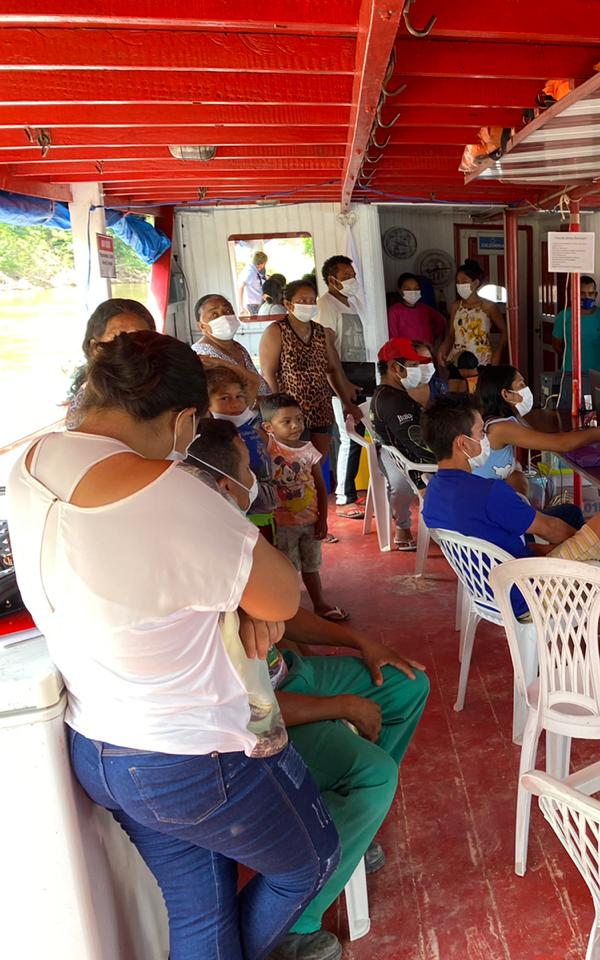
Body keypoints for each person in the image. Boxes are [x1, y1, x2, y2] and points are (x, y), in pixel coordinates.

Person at [7, 331, 339, 960]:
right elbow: (281, 597)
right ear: (186, 418)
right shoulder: (171, 494)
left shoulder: (33, 459)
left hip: (102, 744)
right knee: (309, 860)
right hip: (192, 754)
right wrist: (244, 606)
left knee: (199, 907)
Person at [186, 423, 430, 960]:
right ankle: (298, 922)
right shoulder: (195, 562)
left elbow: (287, 617)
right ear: (225, 483)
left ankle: (344, 828)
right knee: (373, 773)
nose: (258, 475)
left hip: (291, 674)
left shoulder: (234, 537)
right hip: (265, 714)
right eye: (248, 467)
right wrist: (340, 706)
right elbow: (247, 709)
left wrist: (359, 641)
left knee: (407, 685)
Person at [421, 396, 600, 608]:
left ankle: (594, 598)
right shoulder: (489, 492)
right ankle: (594, 596)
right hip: (527, 592)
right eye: (481, 432)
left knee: (579, 540)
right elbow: (550, 528)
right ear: (462, 443)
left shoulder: (432, 493)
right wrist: (594, 547)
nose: (485, 439)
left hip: (489, 588)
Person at [473, 364, 600, 525]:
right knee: (577, 518)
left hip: (496, 508)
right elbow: (560, 443)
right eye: (521, 385)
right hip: (490, 517)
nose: (526, 389)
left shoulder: (504, 421)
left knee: (571, 512)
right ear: (506, 394)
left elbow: (555, 440)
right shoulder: (500, 428)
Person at [261, 391, 347, 621]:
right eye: (286, 421)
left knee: (312, 565)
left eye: (298, 419)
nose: (295, 425)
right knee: (287, 569)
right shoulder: (268, 449)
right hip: (282, 524)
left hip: (309, 522)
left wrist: (322, 519)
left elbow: (320, 487)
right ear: (269, 427)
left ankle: (319, 604)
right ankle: (290, 609)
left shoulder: (309, 450)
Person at [260, 278, 360, 468]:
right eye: (302, 301)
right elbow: (268, 373)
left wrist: (346, 403)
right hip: (291, 413)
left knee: (316, 466)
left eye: (312, 300)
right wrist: (277, 410)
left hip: (321, 408)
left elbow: (332, 369)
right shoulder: (276, 331)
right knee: (294, 466)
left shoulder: (321, 331)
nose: (309, 305)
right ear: (288, 304)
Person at [316, 255, 373, 513]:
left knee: (360, 434)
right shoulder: (326, 305)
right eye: (346, 276)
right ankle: (344, 497)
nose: (352, 280)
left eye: (353, 275)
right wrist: (342, 383)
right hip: (342, 379)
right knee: (348, 436)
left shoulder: (352, 303)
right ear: (332, 280)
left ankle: (351, 491)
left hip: (362, 375)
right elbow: (329, 349)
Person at [370, 338, 438, 551]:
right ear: (393, 367)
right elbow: (415, 445)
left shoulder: (395, 394)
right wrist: (448, 459)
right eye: (413, 365)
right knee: (401, 486)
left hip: (407, 451)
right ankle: (405, 524)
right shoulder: (394, 402)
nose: (419, 370)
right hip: (402, 457)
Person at [205, 364, 279, 536]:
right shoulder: (215, 434)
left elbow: (252, 380)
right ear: (206, 403)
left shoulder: (249, 424)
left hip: (266, 505)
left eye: (239, 396)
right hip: (243, 512)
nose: (235, 403)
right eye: (224, 398)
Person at [66, 297, 156, 428]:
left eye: (140, 337)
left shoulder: (160, 385)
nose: (129, 346)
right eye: (117, 338)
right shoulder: (87, 401)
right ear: (95, 348)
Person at [191, 293, 268, 396]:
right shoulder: (204, 355)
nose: (224, 317)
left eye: (227, 311)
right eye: (214, 315)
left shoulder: (238, 347)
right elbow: (227, 400)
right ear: (202, 327)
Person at [443, 259, 507, 366]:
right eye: (458, 282)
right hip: (457, 359)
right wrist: (443, 348)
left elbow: (504, 331)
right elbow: (451, 334)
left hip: (481, 359)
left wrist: (498, 353)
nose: (460, 285)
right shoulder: (456, 306)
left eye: (464, 282)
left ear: (476, 283)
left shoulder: (488, 306)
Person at [552, 275, 600, 379]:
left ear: (595, 295)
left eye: (590, 294)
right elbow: (556, 344)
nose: (586, 297)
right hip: (570, 372)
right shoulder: (564, 316)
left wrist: (595, 358)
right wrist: (570, 358)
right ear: (575, 294)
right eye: (582, 293)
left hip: (598, 373)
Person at [387, 272, 448, 349]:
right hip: (406, 355)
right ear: (400, 290)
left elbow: (442, 321)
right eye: (407, 289)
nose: (412, 292)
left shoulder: (425, 309)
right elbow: (393, 339)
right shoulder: (394, 311)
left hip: (427, 353)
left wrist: (432, 337)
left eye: (416, 289)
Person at [238, 250, 269, 315]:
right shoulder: (250, 272)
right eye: (265, 263)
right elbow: (241, 287)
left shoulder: (255, 270)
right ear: (261, 263)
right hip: (254, 304)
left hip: (258, 301)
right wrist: (241, 306)